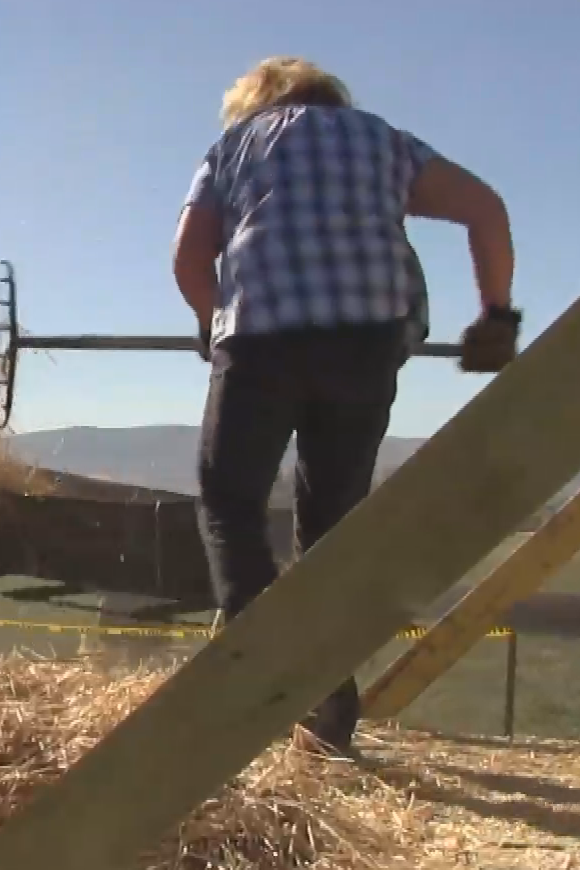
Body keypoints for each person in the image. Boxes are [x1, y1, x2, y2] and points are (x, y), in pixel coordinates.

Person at [171, 56, 520, 757]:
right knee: (330, 521)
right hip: (368, 341)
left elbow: (188, 257)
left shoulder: (233, 147)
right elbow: (485, 208)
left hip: (263, 337)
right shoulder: (384, 139)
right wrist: (496, 316)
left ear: (255, 104)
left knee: (230, 501)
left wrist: (214, 321)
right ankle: (325, 701)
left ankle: (267, 672)